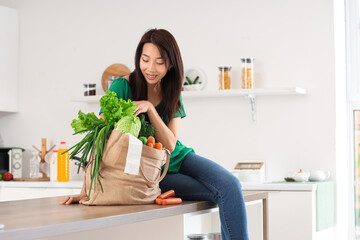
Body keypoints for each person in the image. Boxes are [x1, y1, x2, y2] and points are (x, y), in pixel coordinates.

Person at [60, 28, 249, 240]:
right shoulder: (122, 86)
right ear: (138, 58)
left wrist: (150, 108)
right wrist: (89, 190)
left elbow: (170, 144)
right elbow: (101, 140)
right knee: (224, 191)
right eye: (145, 59)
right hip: (151, 174)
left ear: (170, 64)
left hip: (180, 157)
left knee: (231, 184)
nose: (150, 68)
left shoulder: (172, 91)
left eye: (159, 62)